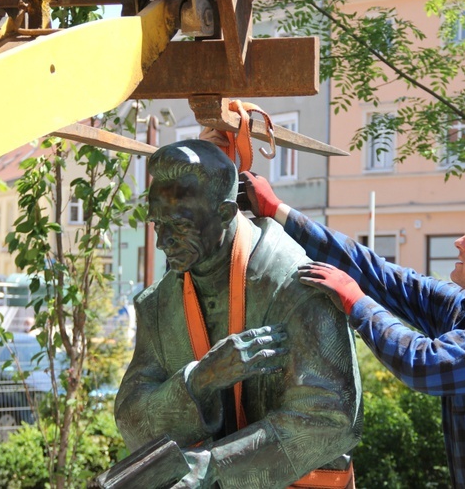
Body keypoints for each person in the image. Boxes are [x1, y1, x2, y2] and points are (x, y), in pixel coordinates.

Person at [236, 169, 465, 487]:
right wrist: (278, 210)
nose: (460, 241)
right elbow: (379, 275)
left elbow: (425, 364)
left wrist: (356, 302)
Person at [114, 140, 362, 488]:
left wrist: (213, 467)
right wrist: (199, 381)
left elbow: (329, 420)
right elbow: (130, 419)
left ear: (225, 213)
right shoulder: (158, 304)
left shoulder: (295, 286)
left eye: (180, 226)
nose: (162, 242)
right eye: (158, 224)